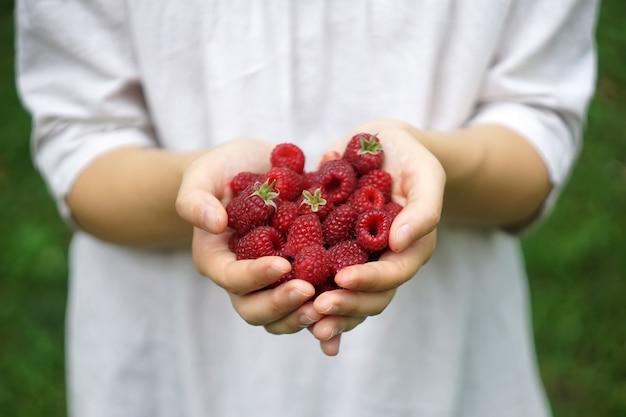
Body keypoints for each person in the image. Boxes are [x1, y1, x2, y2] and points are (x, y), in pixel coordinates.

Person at [16, 1, 598, 416]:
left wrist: (435, 164)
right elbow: (81, 147)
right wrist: (198, 194)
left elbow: (536, 125)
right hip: (172, 355)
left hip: (432, 357)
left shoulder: (331, 203)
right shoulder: (284, 200)